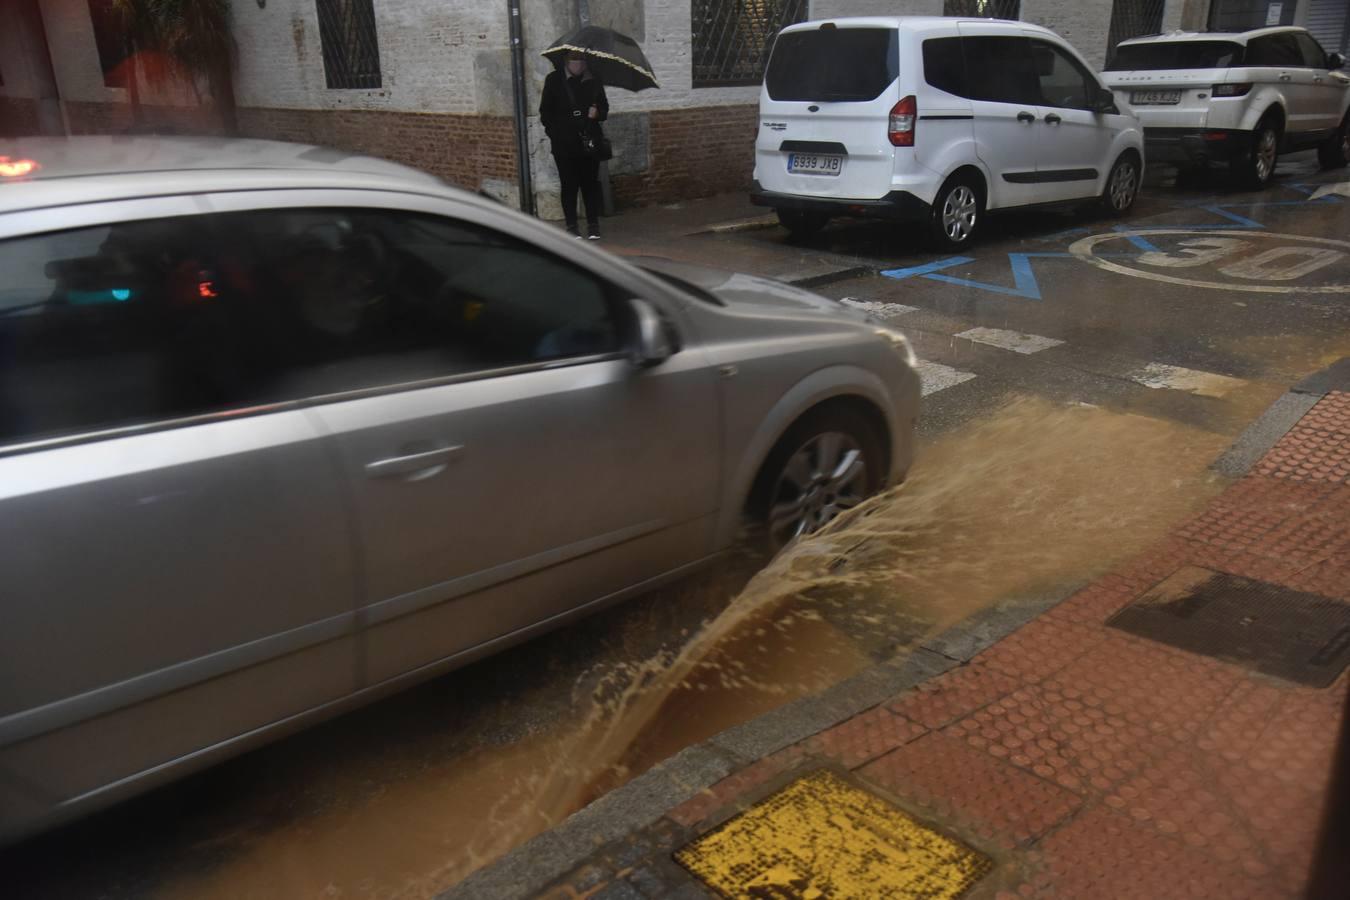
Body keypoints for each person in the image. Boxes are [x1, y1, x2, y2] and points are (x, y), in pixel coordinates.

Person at [540, 52, 609, 240]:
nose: (578, 65)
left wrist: (597, 113)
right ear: (566, 62)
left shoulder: (594, 80)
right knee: (569, 185)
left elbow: (604, 109)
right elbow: (545, 113)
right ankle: (571, 225)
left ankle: (593, 225)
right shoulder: (554, 80)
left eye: (582, 61)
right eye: (574, 61)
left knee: (590, 185)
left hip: (589, 142)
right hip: (564, 145)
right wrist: (555, 135)